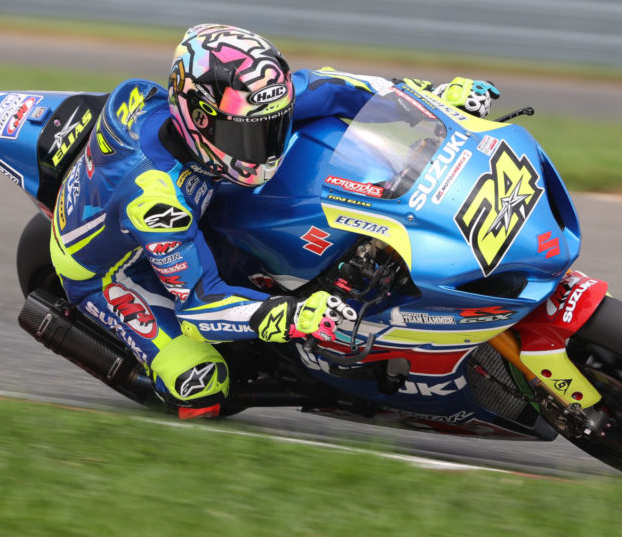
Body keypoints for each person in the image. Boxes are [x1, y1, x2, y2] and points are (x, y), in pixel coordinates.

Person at [49, 23, 500, 417]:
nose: (264, 145)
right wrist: (296, 316)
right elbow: (201, 305)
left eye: (273, 125)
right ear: (199, 119)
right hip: (112, 270)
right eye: (246, 133)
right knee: (201, 385)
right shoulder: (158, 202)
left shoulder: (247, 102)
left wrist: (431, 96)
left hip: (191, 198)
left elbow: (333, 87)